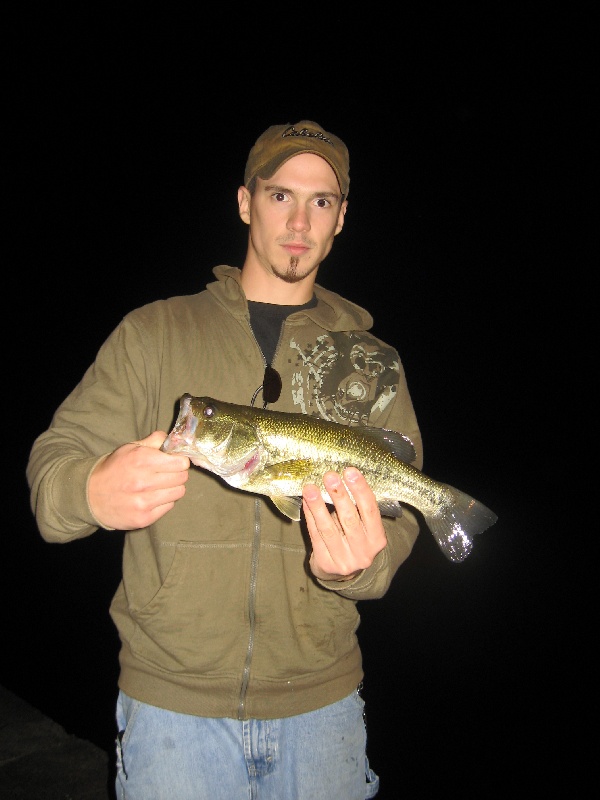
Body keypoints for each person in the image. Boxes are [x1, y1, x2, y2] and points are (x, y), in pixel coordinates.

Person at [26, 120, 423, 800]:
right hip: (171, 709)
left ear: (341, 219)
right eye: (279, 196)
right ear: (245, 203)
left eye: (320, 202)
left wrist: (364, 565)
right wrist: (90, 490)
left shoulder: (372, 360)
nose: (298, 222)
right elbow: (51, 472)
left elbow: (403, 517)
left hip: (322, 707)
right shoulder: (153, 333)